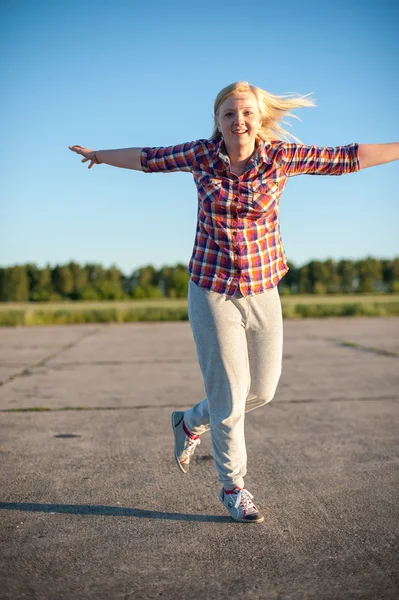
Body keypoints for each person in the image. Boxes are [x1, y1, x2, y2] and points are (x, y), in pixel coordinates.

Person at [70, 80, 398, 524]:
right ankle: (233, 487)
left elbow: (347, 158)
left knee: (261, 391)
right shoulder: (201, 155)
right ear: (218, 122)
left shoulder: (281, 157)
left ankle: (189, 420)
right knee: (229, 399)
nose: (238, 121)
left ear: (258, 120)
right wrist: (99, 155)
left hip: (263, 287)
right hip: (212, 289)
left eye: (246, 113)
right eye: (229, 114)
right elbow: (148, 158)